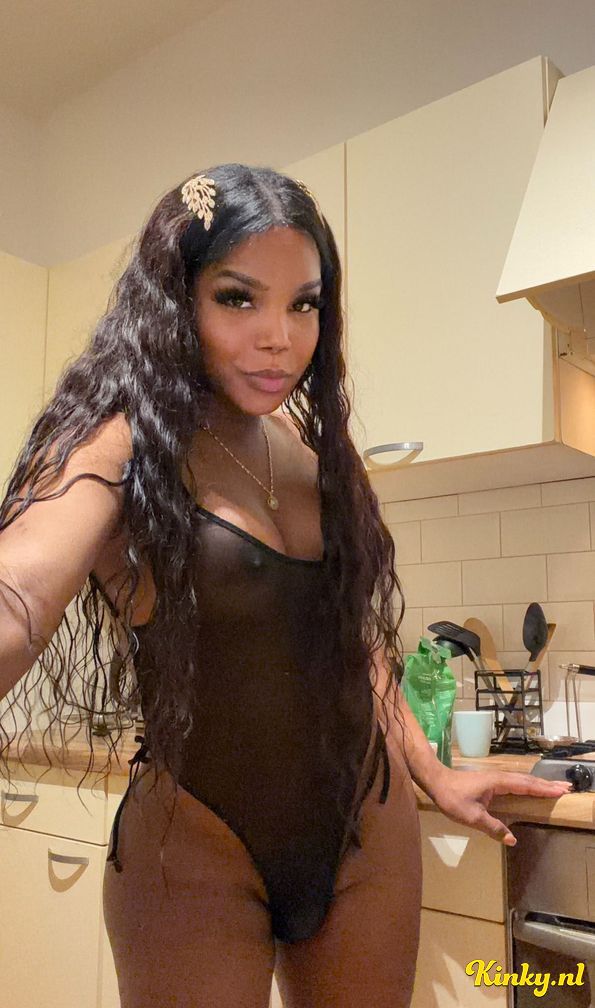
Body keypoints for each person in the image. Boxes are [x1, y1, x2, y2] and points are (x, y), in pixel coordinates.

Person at [0, 163, 571, 1008]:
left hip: (367, 831)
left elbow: (354, 638)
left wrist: (433, 771)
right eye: (238, 298)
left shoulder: (313, 454)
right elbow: (18, 594)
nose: (279, 337)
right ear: (175, 300)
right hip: (195, 844)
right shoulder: (117, 445)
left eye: (303, 304)